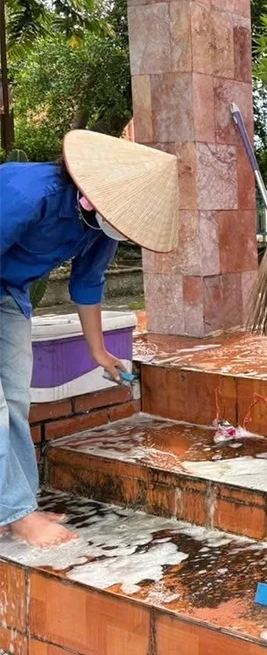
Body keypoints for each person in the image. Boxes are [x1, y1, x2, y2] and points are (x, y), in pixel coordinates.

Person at [1, 131, 179, 546]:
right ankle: (18, 513)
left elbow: (87, 281)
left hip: (7, 291)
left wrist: (99, 351)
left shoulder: (99, 225)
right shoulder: (29, 194)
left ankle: (17, 505)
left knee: (14, 399)